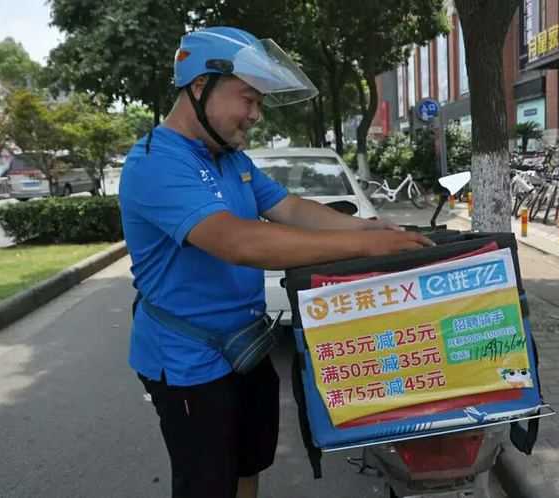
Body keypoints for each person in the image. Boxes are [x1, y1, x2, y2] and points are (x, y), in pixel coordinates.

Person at [119, 26, 432, 498]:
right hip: (187, 361)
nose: (255, 114)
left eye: (260, 102)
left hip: (244, 346)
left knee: (250, 463)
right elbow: (236, 241)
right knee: (207, 484)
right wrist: (362, 249)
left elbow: (291, 209)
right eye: (248, 98)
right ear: (200, 86)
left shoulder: (230, 159)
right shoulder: (156, 163)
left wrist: (369, 229)